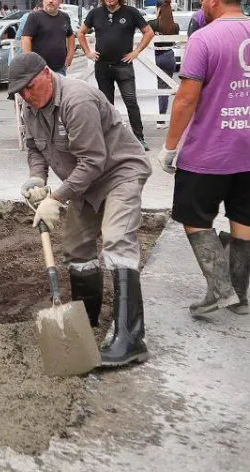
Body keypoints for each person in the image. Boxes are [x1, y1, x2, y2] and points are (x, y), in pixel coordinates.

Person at [157, 0, 250, 318]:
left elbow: (186, 99)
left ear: (214, 0)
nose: (201, 6)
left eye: (202, 0)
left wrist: (170, 147)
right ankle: (240, 296)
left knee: (194, 217)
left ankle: (221, 290)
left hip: (210, 152)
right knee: (244, 220)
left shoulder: (203, 39)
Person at [11, 52, 151, 366]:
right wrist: (37, 178)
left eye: (30, 87)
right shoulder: (30, 107)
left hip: (119, 172)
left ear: (47, 73)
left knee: (117, 240)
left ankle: (131, 338)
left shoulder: (77, 101)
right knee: (76, 247)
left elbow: (93, 160)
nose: (26, 96)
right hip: (84, 182)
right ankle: (87, 320)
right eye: (19, 91)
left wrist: (56, 198)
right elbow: (35, 146)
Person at [77, 0, 154, 148]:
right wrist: (87, 52)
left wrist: (136, 52)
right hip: (102, 66)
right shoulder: (95, 13)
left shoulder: (131, 12)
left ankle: (139, 138)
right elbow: (80, 33)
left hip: (123, 65)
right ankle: (110, 139)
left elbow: (149, 32)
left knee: (131, 101)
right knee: (106, 104)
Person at [21, 0, 74, 75]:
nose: (51, 1)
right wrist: (29, 62)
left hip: (60, 68)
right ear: (43, 0)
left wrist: (70, 55)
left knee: (59, 89)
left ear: (60, 1)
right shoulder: (34, 17)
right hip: (39, 69)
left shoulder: (65, 17)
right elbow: (25, 39)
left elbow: (71, 36)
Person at [148, 0, 180, 114]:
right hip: (168, 56)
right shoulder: (175, 26)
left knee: (151, 85)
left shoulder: (151, 24)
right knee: (164, 88)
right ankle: (161, 119)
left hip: (152, 56)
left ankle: (151, 112)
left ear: (158, 10)